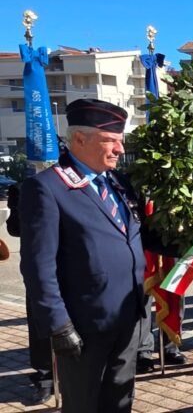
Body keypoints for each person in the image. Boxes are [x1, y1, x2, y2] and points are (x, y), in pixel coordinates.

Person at [19, 99, 149, 412]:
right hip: (83, 326)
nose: (120, 149)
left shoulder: (120, 183)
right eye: (112, 141)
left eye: (121, 141)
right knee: (84, 405)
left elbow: (144, 237)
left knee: (119, 402)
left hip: (128, 317)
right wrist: (59, 326)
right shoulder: (47, 188)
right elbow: (38, 267)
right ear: (80, 139)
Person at [7, 183, 54, 405]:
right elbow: (14, 228)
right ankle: (45, 378)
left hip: (76, 266)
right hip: (40, 268)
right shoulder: (23, 188)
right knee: (40, 323)